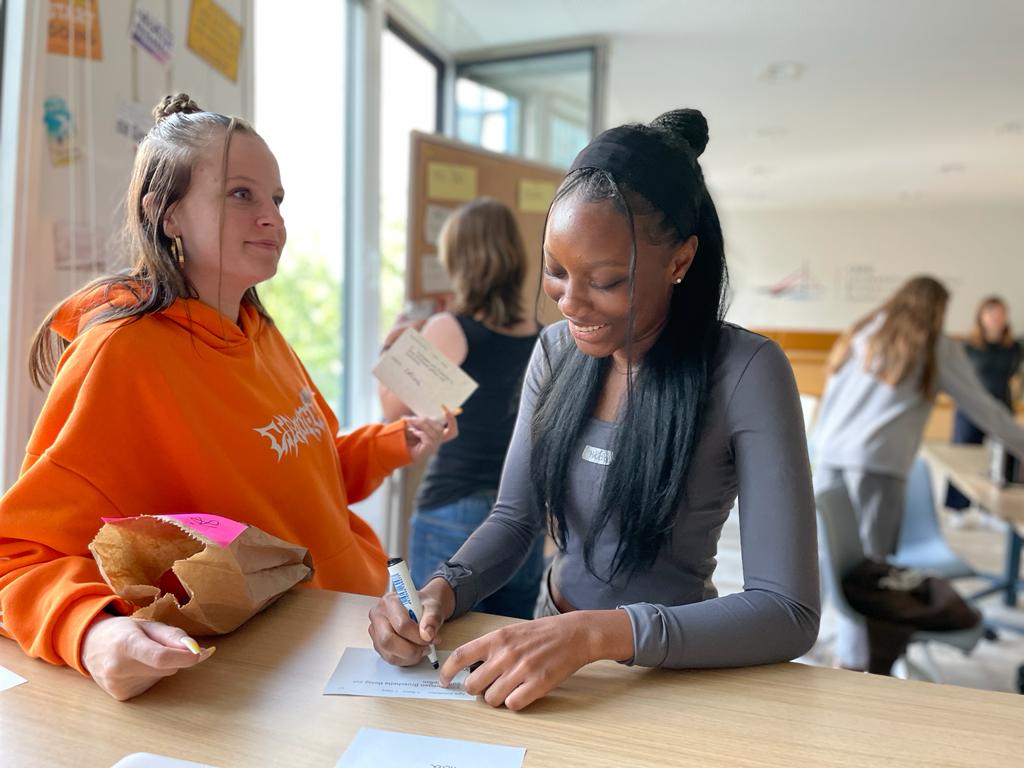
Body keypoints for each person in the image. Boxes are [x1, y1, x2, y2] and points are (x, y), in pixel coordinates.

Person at [0, 94, 456, 701]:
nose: (273, 219)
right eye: (242, 194)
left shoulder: (258, 328)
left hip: (356, 631)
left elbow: (307, 476)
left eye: (277, 199)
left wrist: (394, 442)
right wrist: (93, 634)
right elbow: (16, 557)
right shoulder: (123, 355)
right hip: (267, 682)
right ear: (166, 214)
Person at [368, 108, 820, 711]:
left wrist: (594, 635)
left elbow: (788, 610)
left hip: (670, 674)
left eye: (605, 281)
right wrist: (441, 592)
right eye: (556, 271)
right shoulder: (555, 351)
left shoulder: (747, 371)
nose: (569, 303)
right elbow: (515, 518)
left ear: (680, 262)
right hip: (545, 643)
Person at [812, 276, 1024, 670]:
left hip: (829, 455)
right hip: (875, 464)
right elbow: (986, 410)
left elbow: (831, 396)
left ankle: (812, 642)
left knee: (827, 555)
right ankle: (854, 660)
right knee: (868, 569)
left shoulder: (864, 332)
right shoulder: (933, 345)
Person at [379, 198, 543, 619]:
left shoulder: (451, 329)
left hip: (455, 508)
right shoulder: (543, 338)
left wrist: (393, 346)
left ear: (460, 262)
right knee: (508, 642)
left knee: (434, 636)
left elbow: (394, 412)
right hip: (522, 517)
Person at [945, 296, 1024, 519]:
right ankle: (957, 510)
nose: (996, 317)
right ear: (981, 316)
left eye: (1000, 313)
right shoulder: (968, 346)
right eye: (991, 312)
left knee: (1001, 463)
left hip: (1001, 410)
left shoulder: (1014, 348)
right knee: (963, 459)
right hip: (971, 410)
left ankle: (989, 511)